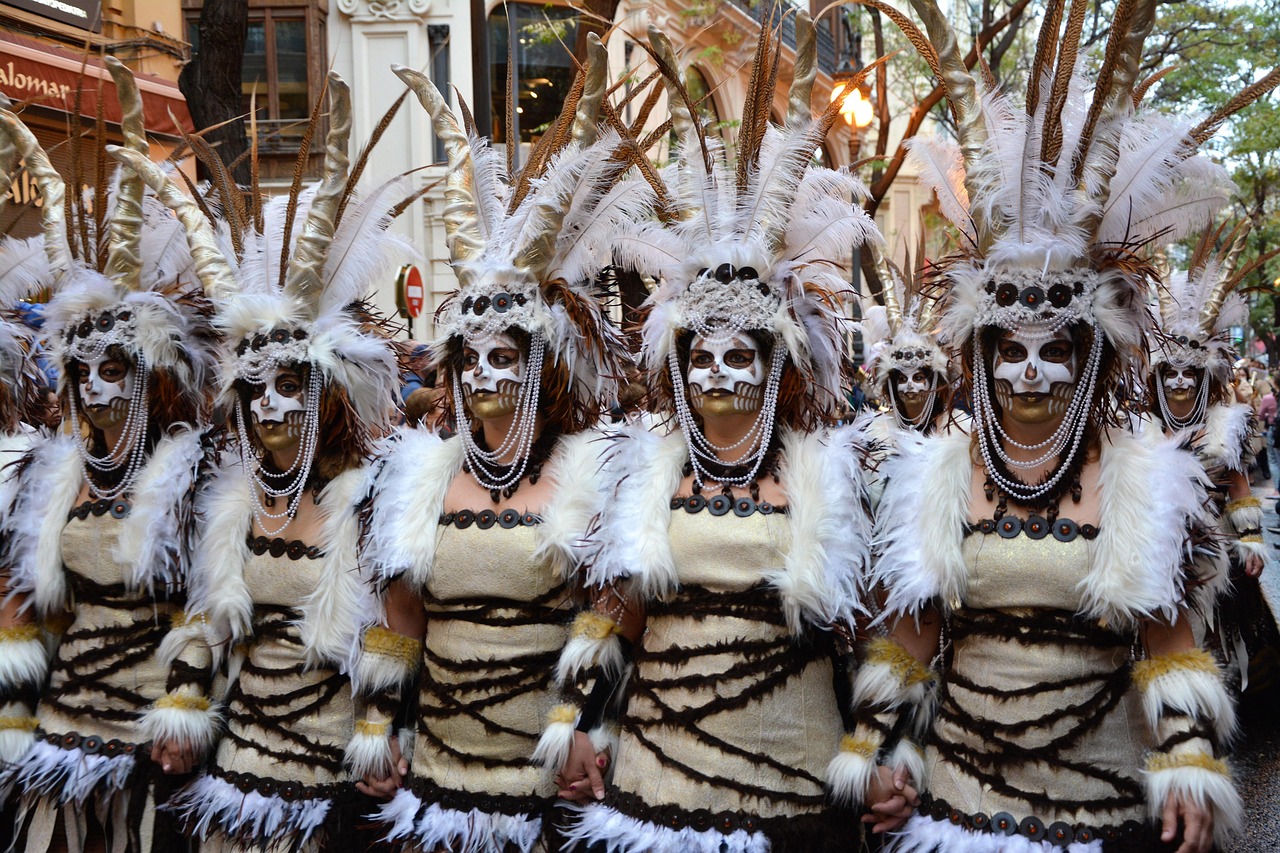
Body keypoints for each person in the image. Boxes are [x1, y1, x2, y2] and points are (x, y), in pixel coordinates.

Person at [847, 1, 1260, 850]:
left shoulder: (1143, 474)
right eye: (1010, 348)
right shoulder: (936, 470)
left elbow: (1171, 643)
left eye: (1053, 349)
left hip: (1101, 805)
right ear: (980, 352)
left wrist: (1188, 761)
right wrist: (881, 752)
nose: (1029, 370)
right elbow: (913, 640)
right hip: (959, 806)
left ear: (1090, 354)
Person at [553, 16, 883, 851]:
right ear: (677, 362)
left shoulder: (832, 472)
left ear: (778, 365)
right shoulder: (646, 470)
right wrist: (577, 723)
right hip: (660, 789)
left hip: (797, 789)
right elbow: (614, 615)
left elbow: (879, 627)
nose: (721, 371)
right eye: (704, 352)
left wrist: (884, 746)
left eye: (744, 354)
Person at [354, 38, 637, 852]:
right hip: (437, 790)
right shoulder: (418, 478)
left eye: (503, 357)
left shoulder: (589, 474)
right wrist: (379, 728)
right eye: (468, 357)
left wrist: (580, 725)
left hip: (546, 793)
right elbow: (400, 625)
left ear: (539, 367)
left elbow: (605, 615)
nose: (482, 374)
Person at [116, 74, 409, 852]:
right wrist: (180, 706)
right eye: (255, 388)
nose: (271, 405)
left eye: (291, 385)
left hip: (326, 799)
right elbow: (204, 621)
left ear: (330, 394)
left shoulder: (371, 500)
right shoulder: (232, 500)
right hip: (232, 786)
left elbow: (390, 632)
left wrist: (378, 729)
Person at [0, 62, 220, 852]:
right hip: (59, 733)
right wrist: (14, 710)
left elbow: (209, 604)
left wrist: (185, 705)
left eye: (114, 368)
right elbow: (29, 599)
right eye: (79, 371)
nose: (93, 388)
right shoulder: (52, 472)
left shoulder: (193, 473)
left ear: (151, 374)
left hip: (150, 742)